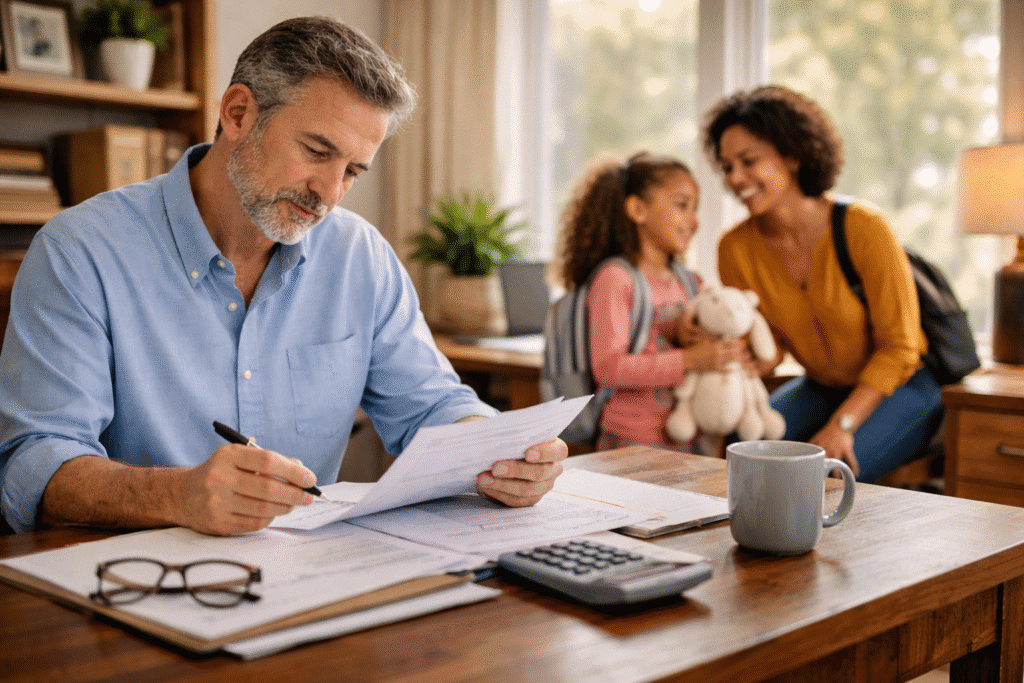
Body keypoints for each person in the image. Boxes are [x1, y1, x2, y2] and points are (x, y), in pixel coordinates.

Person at [0, 16, 567, 535]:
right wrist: (178, 495)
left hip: (302, 580)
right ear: (238, 114)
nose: (329, 192)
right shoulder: (80, 251)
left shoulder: (359, 257)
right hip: (129, 583)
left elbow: (430, 405)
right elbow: (32, 464)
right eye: (317, 151)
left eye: (352, 170)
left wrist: (503, 453)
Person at [703, 84, 943, 483]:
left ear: (792, 156)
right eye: (728, 167)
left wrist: (842, 425)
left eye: (748, 161)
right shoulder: (735, 248)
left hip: (900, 388)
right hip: (820, 386)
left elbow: (901, 348)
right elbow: (772, 339)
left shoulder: (864, 228)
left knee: (826, 475)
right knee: (740, 457)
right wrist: (754, 354)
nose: (735, 178)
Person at [556, 151, 750, 455]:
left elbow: (708, 342)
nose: (693, 220)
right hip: (630, 441)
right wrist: (690, 360)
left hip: (692, 437)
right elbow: (608, 369)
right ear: (637, 209)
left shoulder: (691, 282)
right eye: (682, 205)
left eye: (695, 209)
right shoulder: (616, 278)